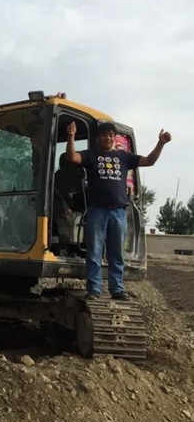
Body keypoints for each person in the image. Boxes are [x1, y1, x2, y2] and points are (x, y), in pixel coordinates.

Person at [66, 120, 172, 300]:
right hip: (97, 212)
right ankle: (94, 289)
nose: (108, 137)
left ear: (114, 138)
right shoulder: (91, 155)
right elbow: (72, 157)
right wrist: (71, 136)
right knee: (94, 252)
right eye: (104, 134)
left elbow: (149, 161)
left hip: (118, 213)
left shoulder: (124, 157)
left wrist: (161, 143)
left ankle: (117, 290)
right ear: (98, 138)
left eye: (111, 135)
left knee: (116, 254)